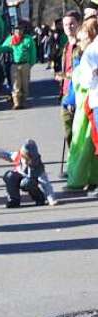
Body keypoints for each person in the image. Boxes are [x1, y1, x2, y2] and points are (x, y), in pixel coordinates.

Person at [66, 17, 98, 191]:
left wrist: (68, 100)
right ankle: (89, 178)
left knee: (84, 147)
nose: (79, 42)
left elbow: (82, 83)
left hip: (87, 106)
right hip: (88, 104)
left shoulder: (90, 53)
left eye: (82, 38)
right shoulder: (86, 53)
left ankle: (78, 179)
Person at [0, 139, 57, 205]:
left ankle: (39, 198)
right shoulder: (19, 156)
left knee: (27, 183)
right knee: (9, 176)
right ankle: (14, 200)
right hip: (19, 177)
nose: (24, 160)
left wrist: (51, 199)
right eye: (23, 157)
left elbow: (46, 184)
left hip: (30, 181)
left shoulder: (37, 167)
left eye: (27, 158)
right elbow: (8, 155)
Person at [58, 10, 83, 146]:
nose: (69, 27)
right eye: (66, 24)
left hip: (78, 95)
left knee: (79, 135)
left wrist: (74, 97)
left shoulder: (81, 46)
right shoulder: (66, 46)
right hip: (65, 93)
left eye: (72, 24)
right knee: (68, 133)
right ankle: (73, 161)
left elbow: (81, 72)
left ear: (79, 24)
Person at [1, 21, 38, 108]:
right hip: (14, 65)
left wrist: (31, 63)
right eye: (16, 29)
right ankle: (16, 103)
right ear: (14, 31)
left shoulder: (28, 39)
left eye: (20, 29)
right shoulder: (10, 39)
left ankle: (23, 102)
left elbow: (33, 52)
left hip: (25, 64)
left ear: (23, 30)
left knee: (25, 85)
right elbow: (2, 48)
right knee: (15, 84)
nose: (18, 31)